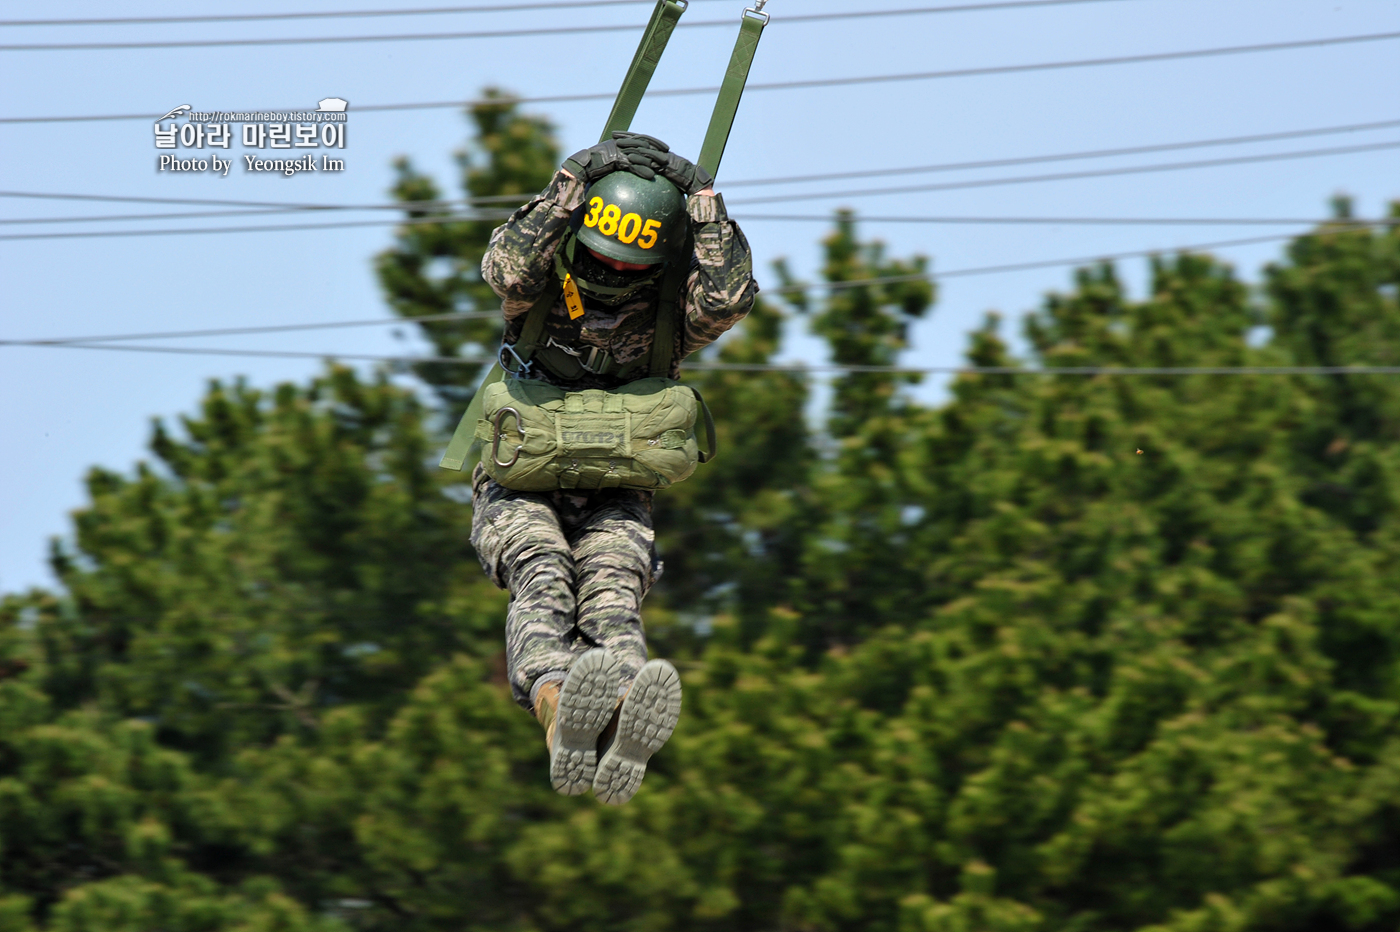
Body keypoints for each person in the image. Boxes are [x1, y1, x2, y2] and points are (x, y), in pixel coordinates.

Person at [471, 133, 757, 804]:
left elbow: (726, 300)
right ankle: (556, 713)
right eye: (604, 260)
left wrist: (706, 208)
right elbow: (506, 268)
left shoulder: (670, 314)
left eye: (629, 266)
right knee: (543, 575)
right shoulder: (538, 291)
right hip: (521, 487)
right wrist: (571, 179)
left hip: (615, 490)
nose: (613, 276)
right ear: (579, 241)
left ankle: (623, 704)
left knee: (613, 593)